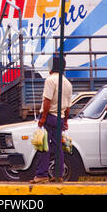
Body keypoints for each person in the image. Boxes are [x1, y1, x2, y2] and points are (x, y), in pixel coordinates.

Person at [30, 55, 73, 184]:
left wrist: (43, 118)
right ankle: (58, 175)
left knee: (43, 146)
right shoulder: (67, 83)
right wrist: (65, 120)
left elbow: (47, 101)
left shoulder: (50, 80)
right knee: (58, 147)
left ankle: (42, 175)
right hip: (60, 118)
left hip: (49, 117)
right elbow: (68, 105)